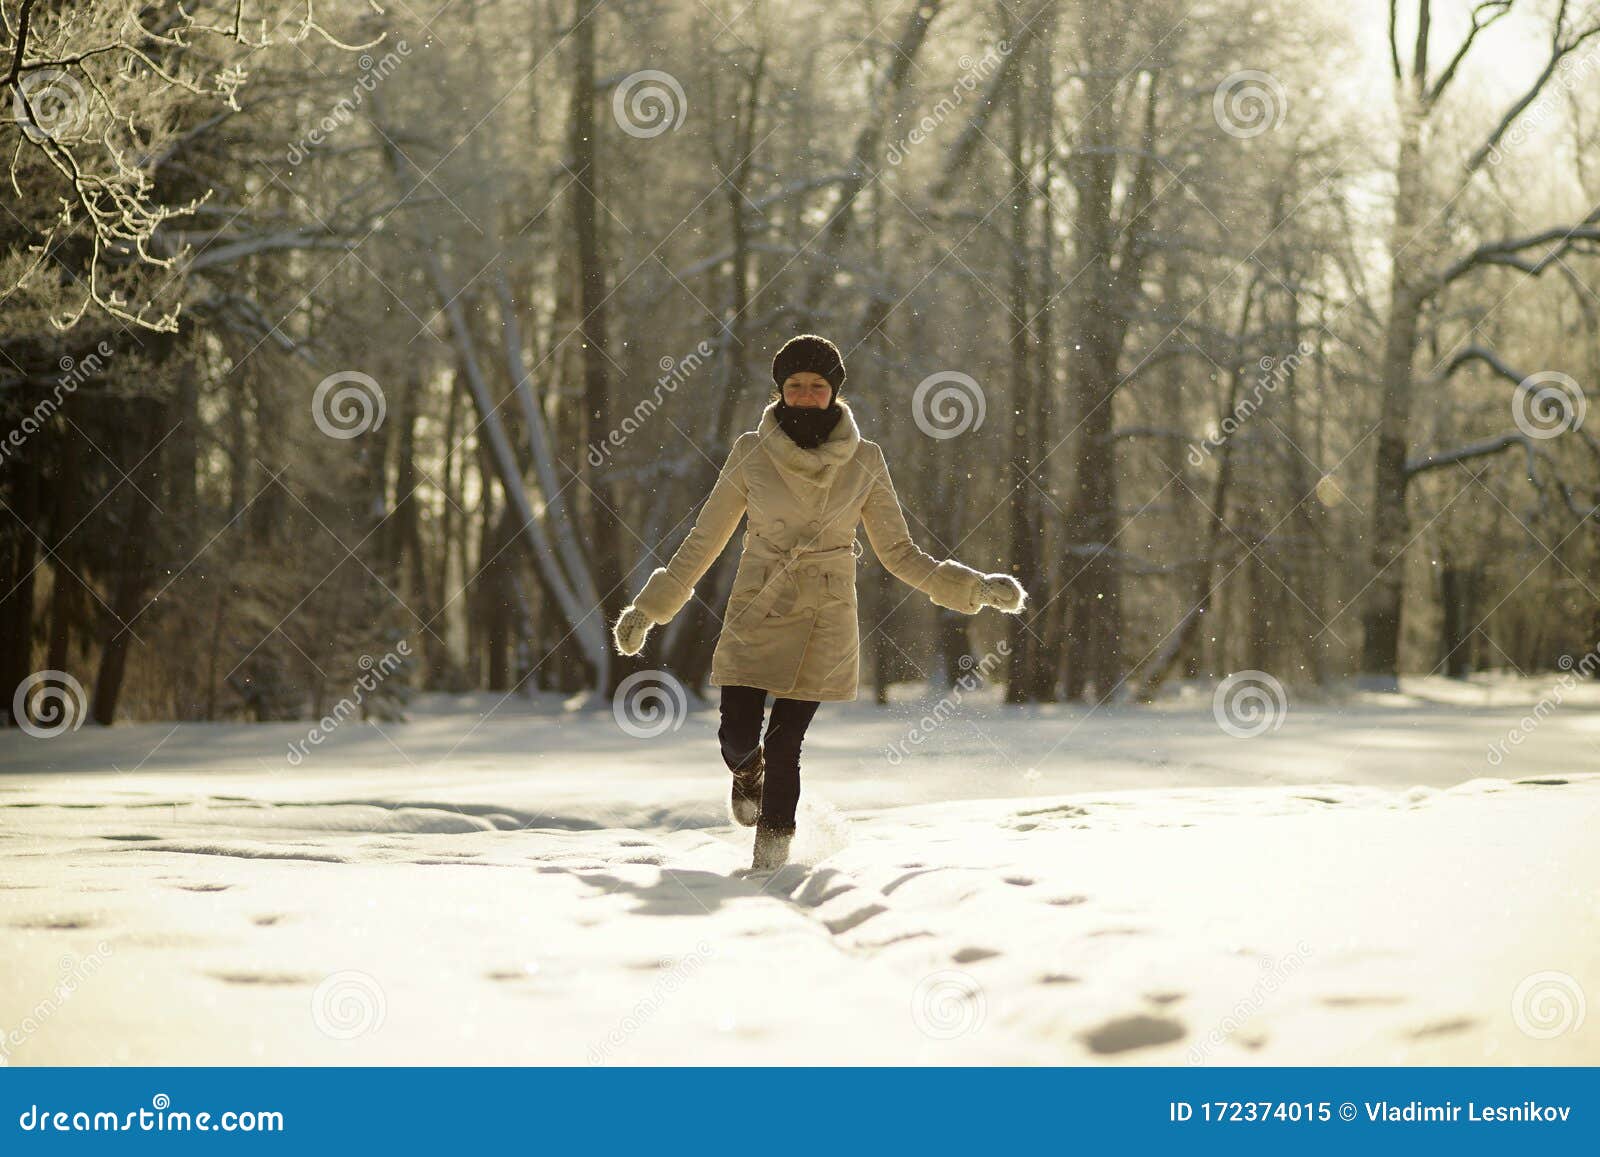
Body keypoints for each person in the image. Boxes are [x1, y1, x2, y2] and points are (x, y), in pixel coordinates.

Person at [612, 334, 1027, 871]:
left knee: (786, 744)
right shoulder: (750, 452)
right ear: (780, 391)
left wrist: (973, 588)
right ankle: (745, 772)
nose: (806, 395)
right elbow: (704, 539)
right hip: (758, 603)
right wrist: (651, 607)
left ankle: (771, 865)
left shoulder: (866, 460)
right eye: (795, 386)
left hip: (825, 613)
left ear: (834, 392)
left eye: (817, 386)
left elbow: (899, 552)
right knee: (738, 736)